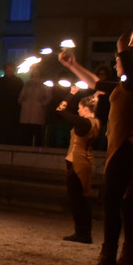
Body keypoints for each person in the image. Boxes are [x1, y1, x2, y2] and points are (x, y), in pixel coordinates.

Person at [59, 22, 133, 265]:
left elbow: (122, 44)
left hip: (124, 147)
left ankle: (108, 260)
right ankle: (128, 258)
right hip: (130, 147)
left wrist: (132, 31)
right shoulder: (125, 85)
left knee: (111, 202)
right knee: (127, 203)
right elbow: (95, 82)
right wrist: (72, 65)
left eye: (118, 61)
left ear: (127, 64)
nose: (115, 63)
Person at [55, 90, 101, 244]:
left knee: (77, 200)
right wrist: (95, 97)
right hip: (86, 161)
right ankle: (85, 232)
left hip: (76, 162)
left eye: (80, 108)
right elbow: (92, 108)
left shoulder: (83, 123)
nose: (78, 110)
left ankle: (81, 233)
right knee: (83, 198)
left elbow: (60, 110)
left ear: (86, 109)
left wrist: (71, 93)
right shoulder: (96, 122)